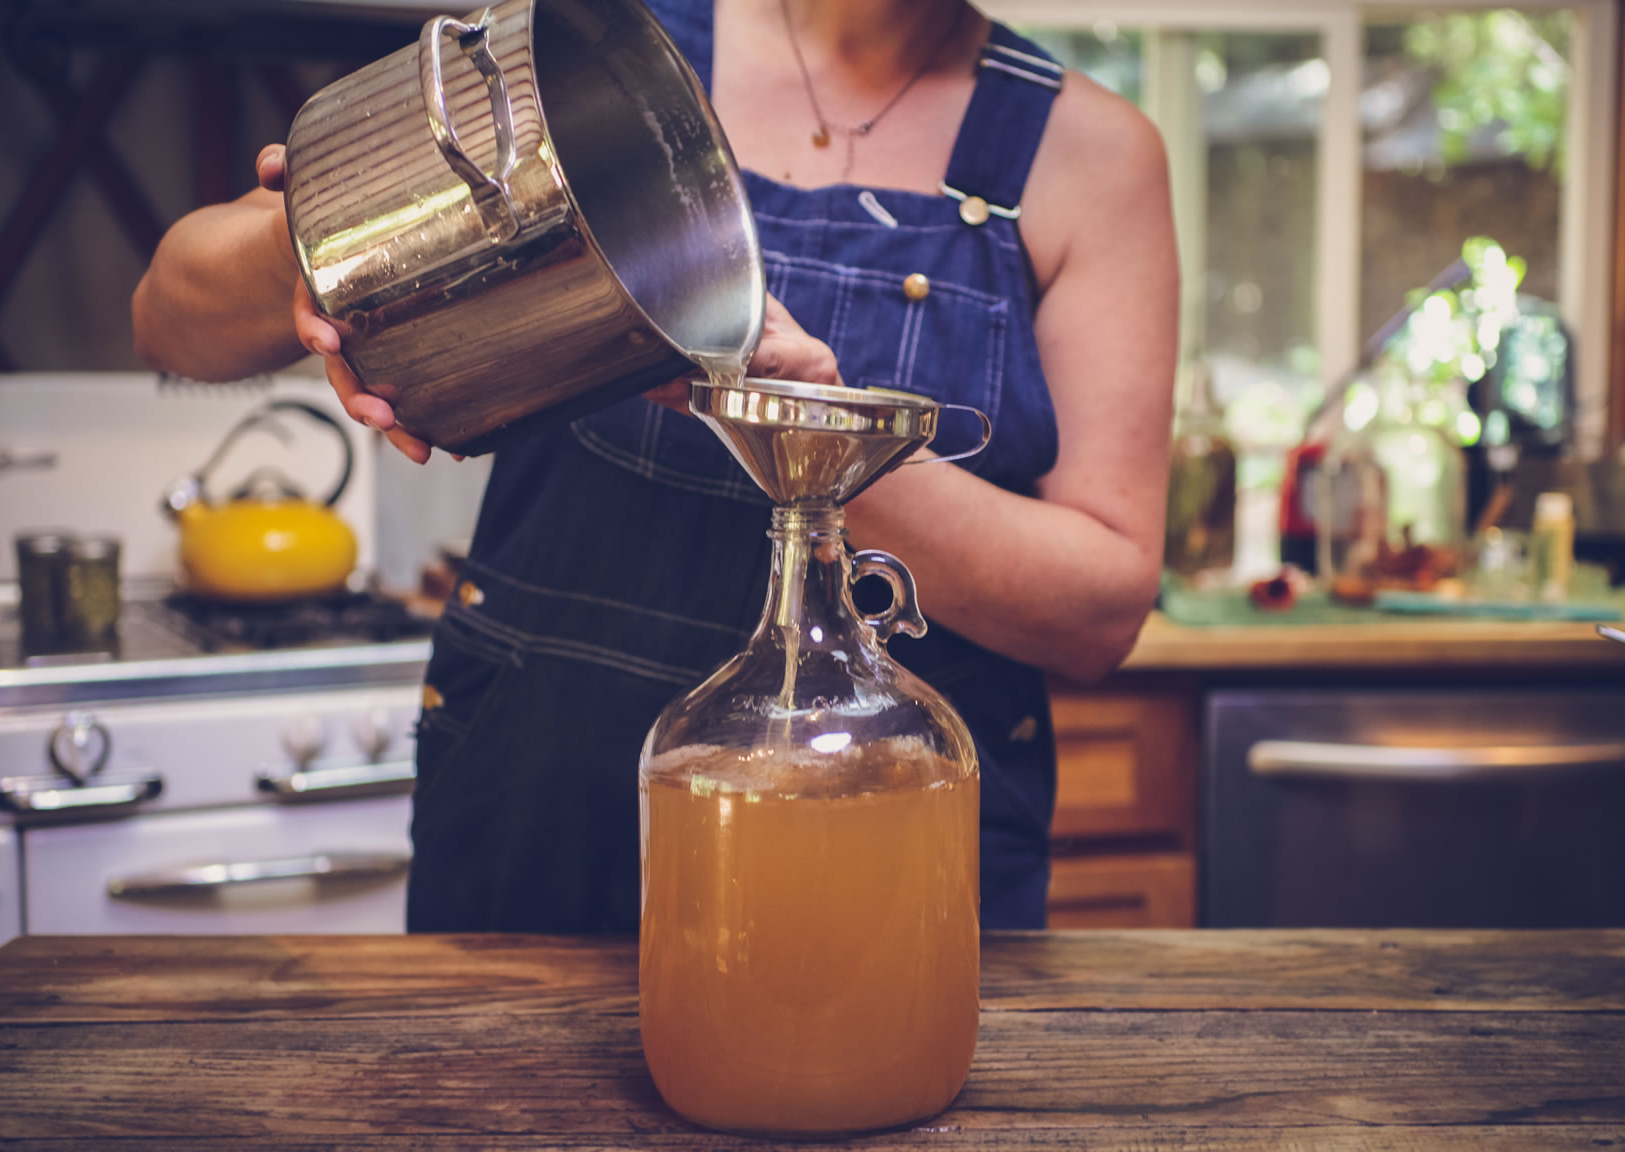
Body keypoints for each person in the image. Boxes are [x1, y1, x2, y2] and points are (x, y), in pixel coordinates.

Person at [131, 0, 1177, 932]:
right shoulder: (588, 48)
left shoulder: (1092, 155)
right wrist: (320, 246)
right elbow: (169, 321)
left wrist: (816, 434)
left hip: (884, 851)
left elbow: (1099, 610)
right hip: (535, 807)